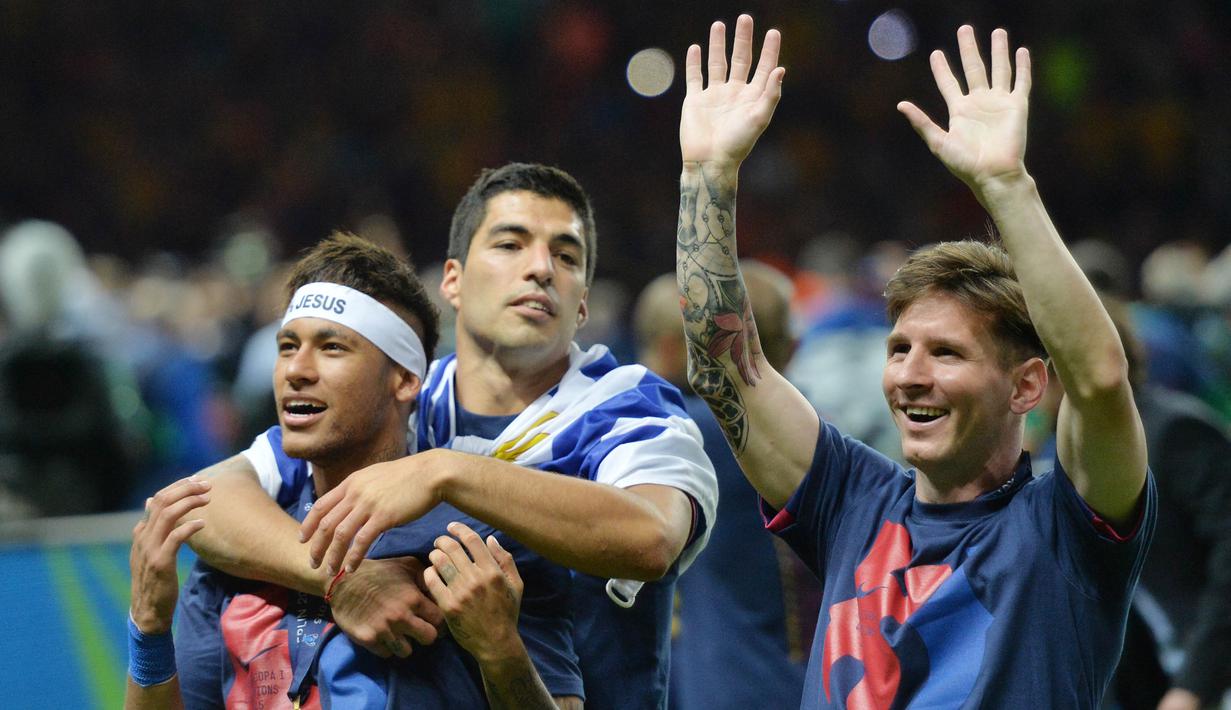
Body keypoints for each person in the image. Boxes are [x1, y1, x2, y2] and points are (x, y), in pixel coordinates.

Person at [676, 15, 1154, 708]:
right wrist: (706, 176)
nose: (909, 376)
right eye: (899, 349)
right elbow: (726, 372)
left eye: (946, 353)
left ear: (1026, 386)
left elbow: (1099, 379)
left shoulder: (1066, 529)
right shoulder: (851, 500)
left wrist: (1007, 187)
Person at [179, 164, 718, 709]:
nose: (540, 268)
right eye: (510, 244)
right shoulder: (402, 398)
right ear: (452, 280)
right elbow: (210, 498)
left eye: (566, 256)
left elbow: (652, 538)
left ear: (582, 303)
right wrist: (342, 579)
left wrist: (446, 471)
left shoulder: (628, 408)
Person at [125, 232, 583, 708]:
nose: (296, 370)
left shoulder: (483, 542)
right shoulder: (238, 554)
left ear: (404, 380)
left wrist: (501, 653)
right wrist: (149, 631)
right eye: (287, 346)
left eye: (332, 347)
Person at [634, 266, 822, 709]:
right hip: (802, 680)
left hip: (729, 685)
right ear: (792, 347)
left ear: (674, 349)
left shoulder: (694, 432)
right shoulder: (818, 431)